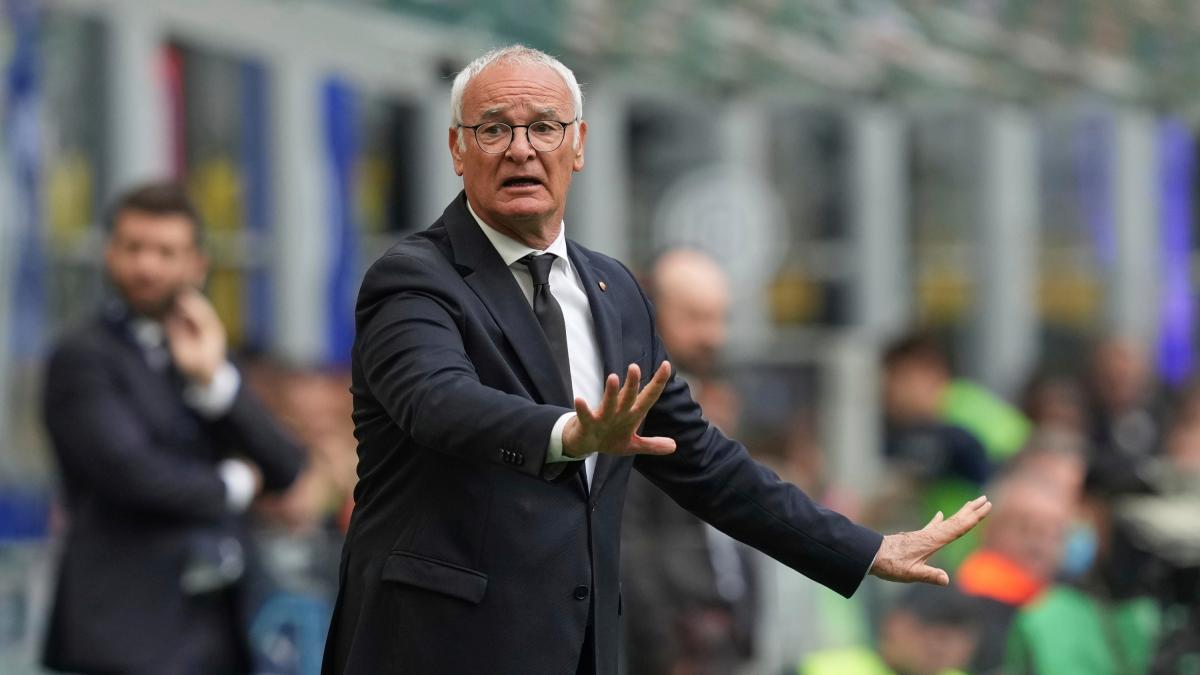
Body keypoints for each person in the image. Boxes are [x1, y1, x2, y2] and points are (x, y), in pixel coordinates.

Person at [321, 45, 991, 675]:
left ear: (579, 145)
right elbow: (437, 402)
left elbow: (701, 459)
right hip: (437, 648)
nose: (521, 148)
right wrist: (568, 434)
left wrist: (866, 549)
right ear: (456, 149)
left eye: (545, 127)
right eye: (494, 129)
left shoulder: (615, 292)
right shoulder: (413, 277)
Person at [41, 182, 307, 675]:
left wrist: (214, 382)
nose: (146, 266)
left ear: (196, 265)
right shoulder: (82, 356)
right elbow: (132, 474)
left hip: (218, 634)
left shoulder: (203, 350)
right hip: (123, 635)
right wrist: (235, 484)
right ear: (109, 253)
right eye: (133, 248)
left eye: (165, 252)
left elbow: (286, 466)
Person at [622, 249, 759, 675]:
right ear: (652, 313)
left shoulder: (718, 400)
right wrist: (664, 651)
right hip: (671, 649)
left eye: (719, 318)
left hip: (721, 641)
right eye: (695, 317)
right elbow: (628, 539)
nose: (713, 336)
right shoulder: (632, 408)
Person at [955, 475, 1073, 673]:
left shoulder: (1075, 600)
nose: (1038, 543)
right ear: (988, 530)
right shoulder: (965, 595)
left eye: (1053, 533)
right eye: (1024, 528)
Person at [795, 584, 981, 675]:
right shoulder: (826, 670)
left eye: (951, 638)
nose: (938, 647)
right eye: (931, 632)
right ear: (894, 623)